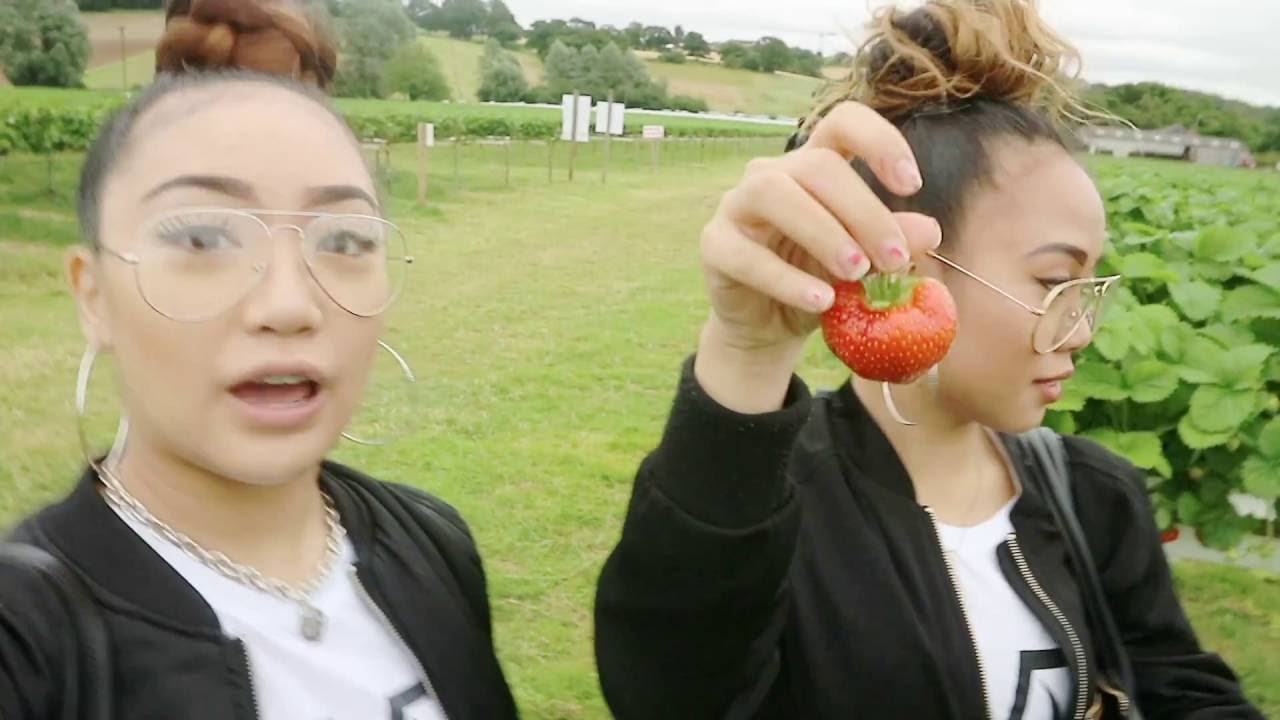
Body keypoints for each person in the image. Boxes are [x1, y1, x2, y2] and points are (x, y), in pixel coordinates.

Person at [593, 1, 1262, 719]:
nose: (1080, 333)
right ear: (908, 260)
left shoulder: (1094, 495)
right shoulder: (767, 511)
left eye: (1089, 286)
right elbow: (671, 692)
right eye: (1051, 282)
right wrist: (745, 353)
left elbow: (1185, 692)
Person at [0, 2, 517, 718]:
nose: (288, 304)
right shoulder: (27, 641)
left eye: (341, 240)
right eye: (205, 238)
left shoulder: (432, 544)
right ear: (93, 296)